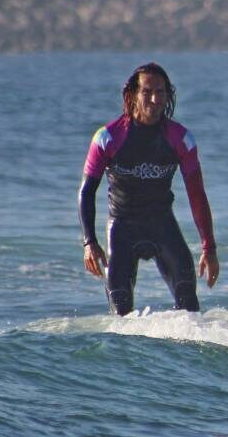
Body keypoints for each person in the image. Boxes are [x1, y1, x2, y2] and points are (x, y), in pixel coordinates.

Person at [79, 62, 220, 315]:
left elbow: (197, 195)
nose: (155, 99)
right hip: (122, 228)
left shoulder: (181, 139)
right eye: (147, 91)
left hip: (162, 226)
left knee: (191, 312)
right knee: (121, 317)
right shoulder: (107, 138)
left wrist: (209, 248)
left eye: (161, 92)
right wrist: (90, 242)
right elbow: (87, 192)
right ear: (133, 94)